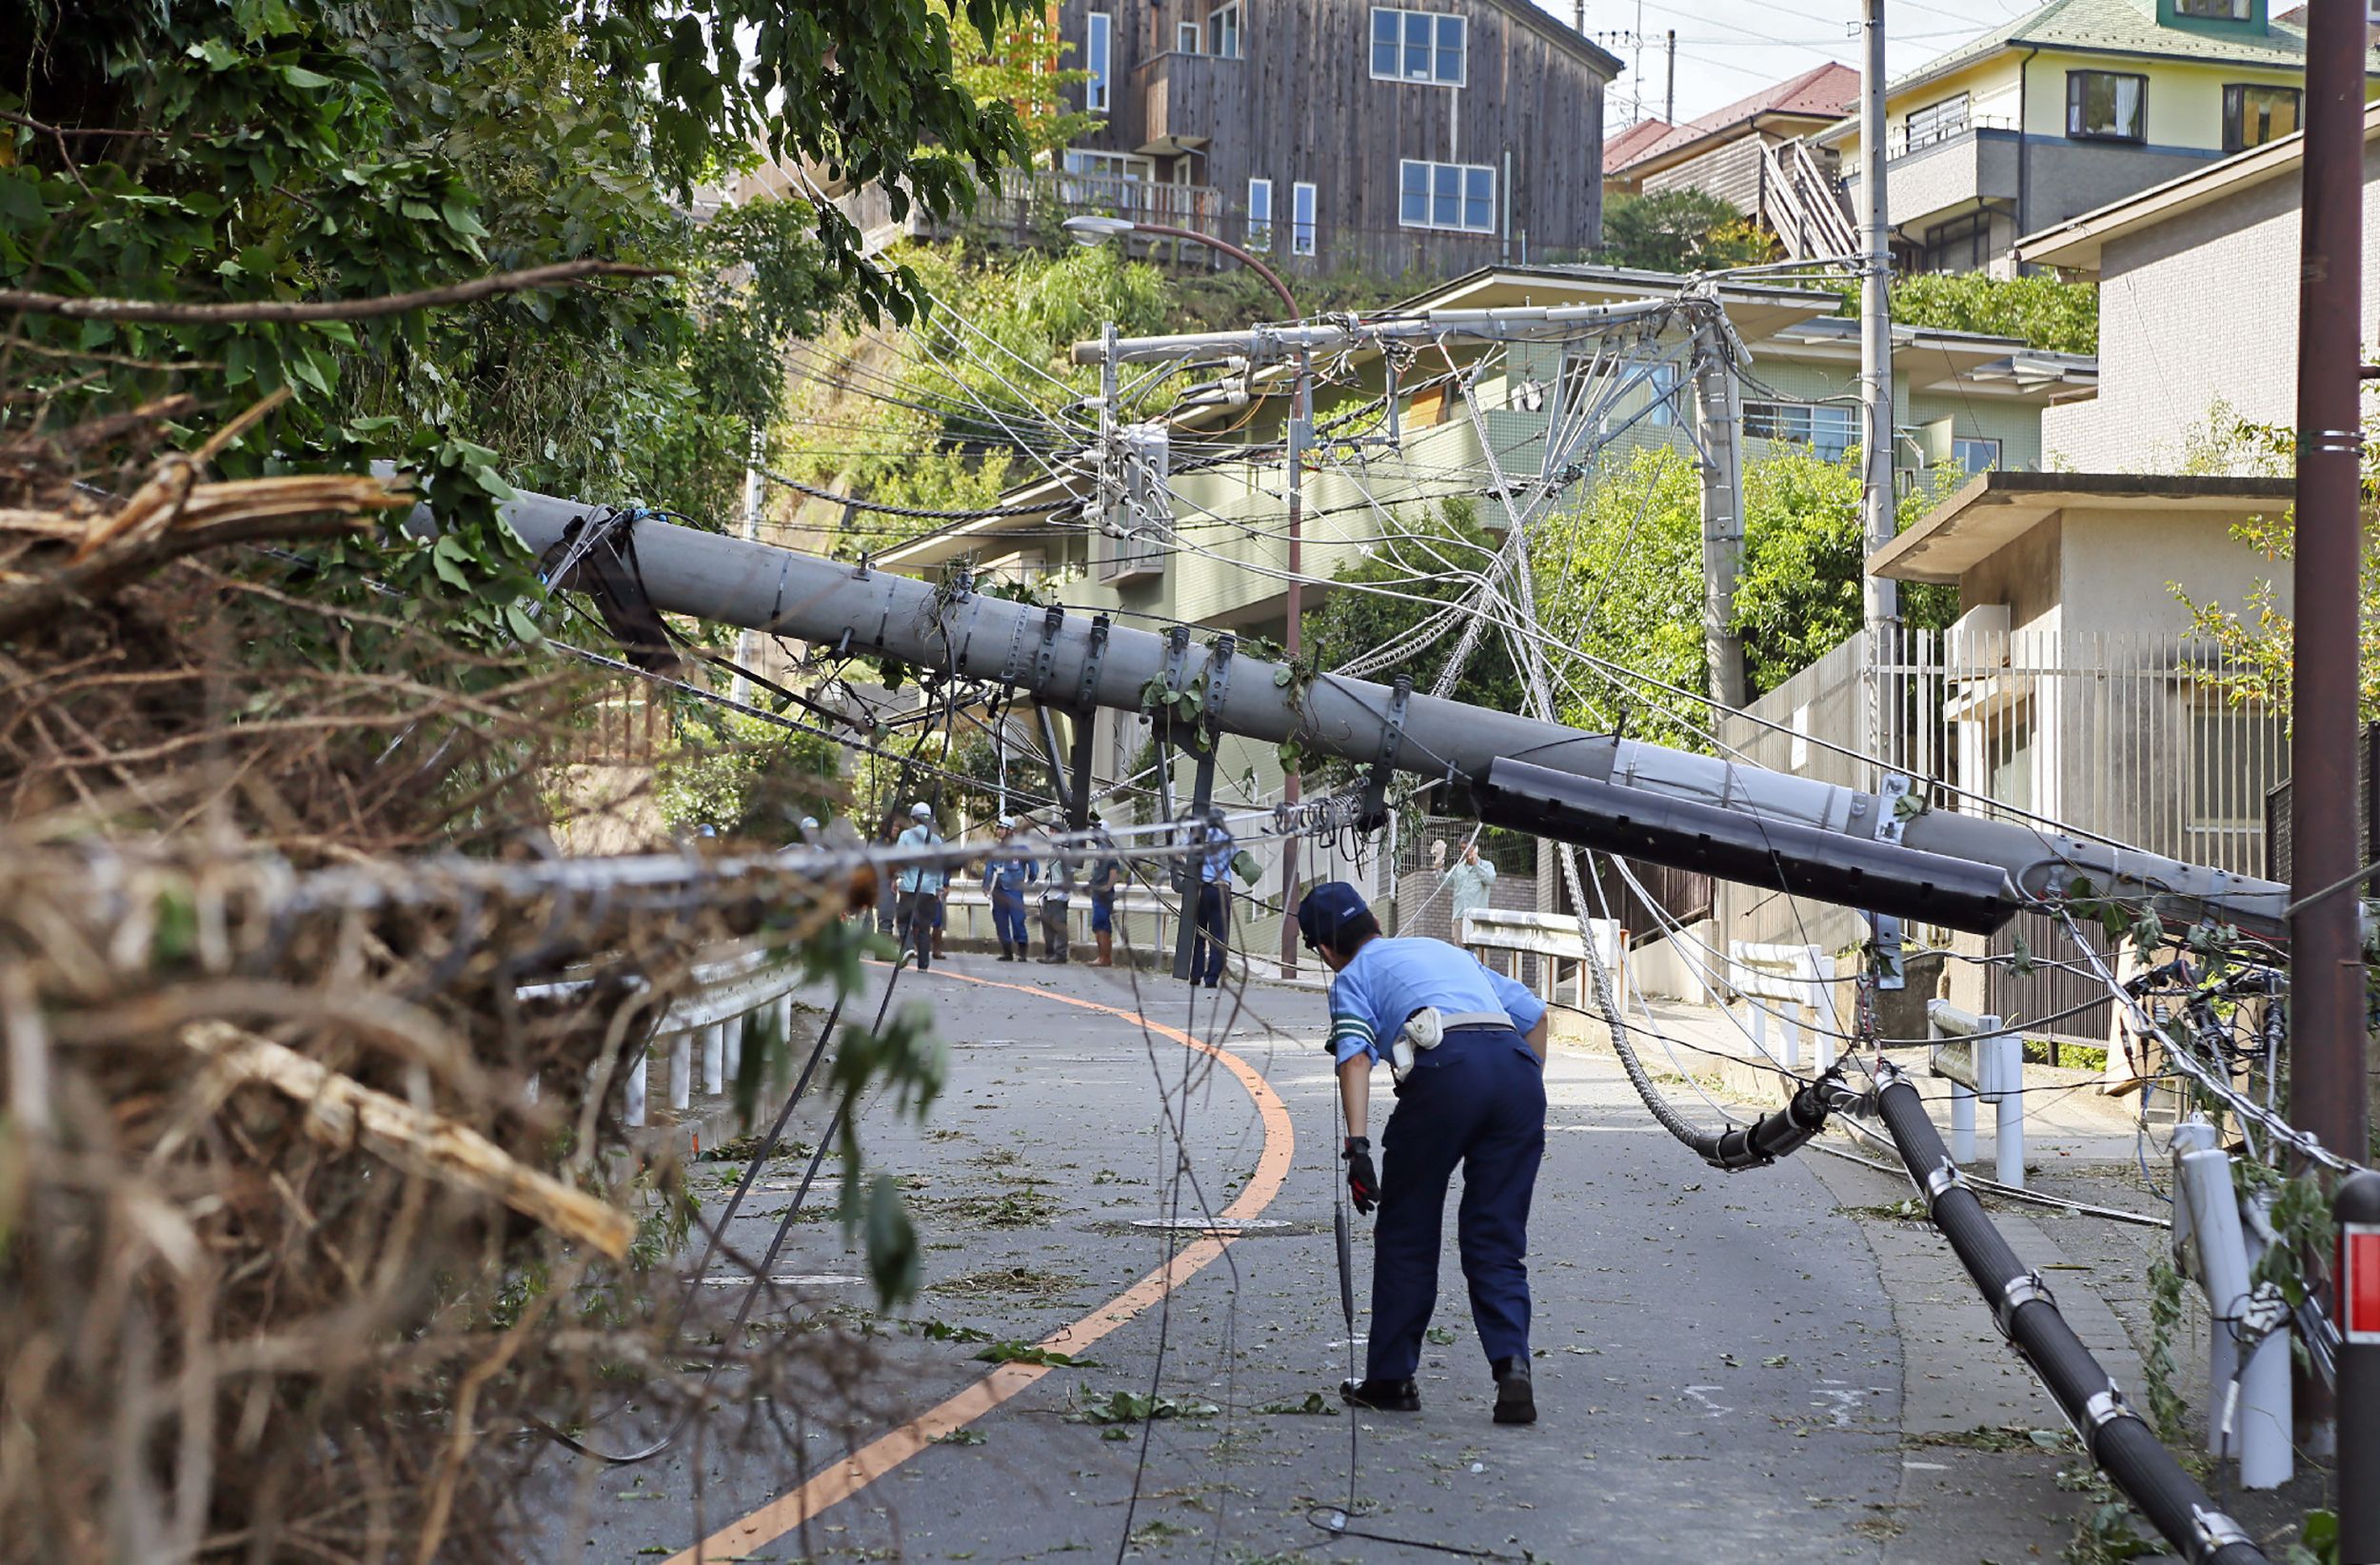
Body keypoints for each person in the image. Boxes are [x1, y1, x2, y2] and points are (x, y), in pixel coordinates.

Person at [1296, 881, 1549, 1427]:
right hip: (1517, 1076)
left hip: (1445, 1074)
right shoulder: (1440, 950)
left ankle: (1391, 1377)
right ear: (1374, 924)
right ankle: (1512, 1366)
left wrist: (1357, 1148)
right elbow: (1535, 1015)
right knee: (1496, 1233)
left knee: (1408, 1228)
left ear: (1323, 949)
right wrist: (1519, 1093)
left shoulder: (1351, 979)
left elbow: (1355, 1058)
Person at [893, 802, 946, 972]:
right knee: (924, 927)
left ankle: (908, 947)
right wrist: (938, 888)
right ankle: (923, 965)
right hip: (928, 890)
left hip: (909, 887)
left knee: (903, 922)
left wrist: (896, 878)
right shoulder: (936, 840)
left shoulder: (906, 836)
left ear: (913, 818)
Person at [982, 815, 1038, 962]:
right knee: (1000, 921)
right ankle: (1007, 952)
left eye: (1002, 828)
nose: (999, 831)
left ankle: (1022, 951)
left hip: (1014, 889)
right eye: (998, 828)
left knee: (1017, 919)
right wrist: (986, 885)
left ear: (1010, 831)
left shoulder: (1021, 849)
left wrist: (1030, 881)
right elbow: (989, 868)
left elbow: (1033, 866)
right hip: (998, 889)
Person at [1191, 806, 1233, 988]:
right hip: (1222, 889)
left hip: (1203, 890)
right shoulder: (1228, 840)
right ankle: (1212, 977)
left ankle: (1195, 974)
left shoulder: (1200, 837)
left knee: (1199, 933)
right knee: (1219, 936)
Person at [1033, 819, 1074, 964]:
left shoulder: (1065, 852)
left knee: (1059, 924)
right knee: (1047, 925)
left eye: (1053, 831)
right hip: (1048, 892)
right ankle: (1050, 953)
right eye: (1050, 830)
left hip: (1059, 894)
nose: (1050, 833)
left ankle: (1060, 954)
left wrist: (1065, 892)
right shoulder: (1052, 850)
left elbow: (1068, 873)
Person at [1442, 838, 1497, 941]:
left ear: (1476, 849)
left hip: (1478, 917)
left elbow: (1490, 880)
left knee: (1479, 952)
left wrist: (1476, 865)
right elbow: (1444, 882)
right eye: (1463, 849)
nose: (1466, 852)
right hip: (1459, 915)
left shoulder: (1486, 865)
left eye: (1469, 849)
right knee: (1460, 953)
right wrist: (1438, 870)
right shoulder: (1458, 867)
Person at [1085, 817, 1122, 968]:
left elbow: (1114, 870)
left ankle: (1104, 957)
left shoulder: (1107, 850)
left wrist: (1107, 887)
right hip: (1097, 892)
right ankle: (1102, 956)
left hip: (1103, 894)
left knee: (1102, 925)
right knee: (1098, 925)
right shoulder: (1100, 849)